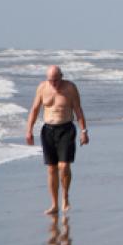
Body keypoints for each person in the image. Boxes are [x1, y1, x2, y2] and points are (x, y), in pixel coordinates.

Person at [25, 65, 88, 215]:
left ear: (61, 76)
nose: (54, 83)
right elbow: (34, 109)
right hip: (48, 130)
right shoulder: (42, 88)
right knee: (52, 168)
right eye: (51, 80)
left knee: (64, 166)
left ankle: (65, 197)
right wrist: (29, 130)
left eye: (56, 80)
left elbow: (78, 110)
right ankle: (54, 204)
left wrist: (84, 131)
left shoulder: (70, 88)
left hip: (66, 129)